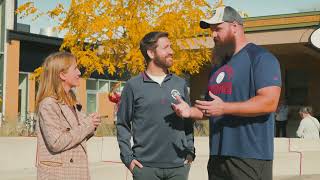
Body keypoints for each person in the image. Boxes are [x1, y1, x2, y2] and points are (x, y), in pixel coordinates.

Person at [172, 6, 281, 180]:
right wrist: (189, 111)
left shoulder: (260, 57)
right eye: (211, 30)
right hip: (217, 157)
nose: (213, 34)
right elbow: (212, 108)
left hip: (250, 156)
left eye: (218, 29)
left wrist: (224, 108)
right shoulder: (218, 65)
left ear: (235, 27)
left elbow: (269, 102)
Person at [116, 31, 195, 180]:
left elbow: (188, 121)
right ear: (151, 53)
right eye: (166, 48)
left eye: (170, 47)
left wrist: (190, 151)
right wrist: (128, 158)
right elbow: (122, 124)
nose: (171, 51)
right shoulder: (133, 86)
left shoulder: (180, 83)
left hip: (178, 167)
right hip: (145, 169)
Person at [35, 52, 101, 180]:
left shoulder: (72, 101)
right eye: (75, 68)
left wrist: (92, 124)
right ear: (62, 74)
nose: (79, 73)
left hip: (75, 172)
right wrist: (88, 125)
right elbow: (56, 142)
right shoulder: (49, 104)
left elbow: (77, 136)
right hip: (59, 174)